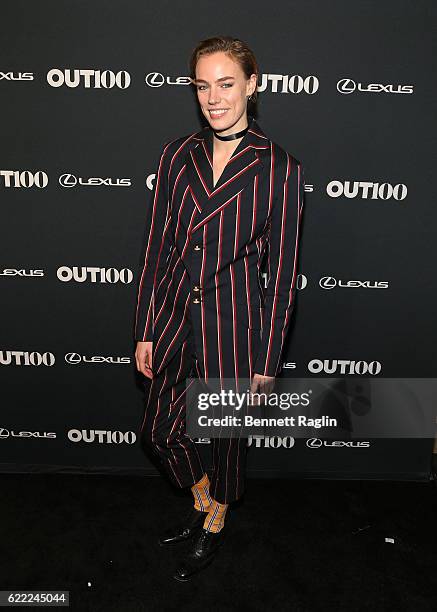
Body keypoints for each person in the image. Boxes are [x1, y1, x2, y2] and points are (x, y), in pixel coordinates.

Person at [134, 35, 305, 582]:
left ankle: (217, 517)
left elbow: (281, 277)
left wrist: (267, 360)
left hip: (234, 327)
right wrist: (145, 329)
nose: (214, 98)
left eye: (226, 84)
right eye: (203, 86)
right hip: (173, 319)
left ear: (252, 86)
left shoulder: (279, 168)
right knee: (160, 432)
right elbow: (158, 245)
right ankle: (203, 501)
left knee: (227, 442)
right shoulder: (176, 154)